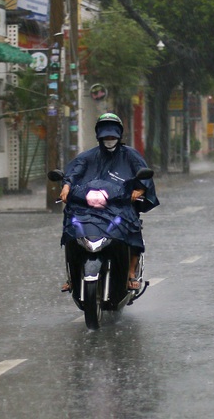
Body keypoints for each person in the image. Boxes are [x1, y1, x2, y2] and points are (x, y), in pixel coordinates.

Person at [59, 113, 159, 292]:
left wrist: (140, 190)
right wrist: (66, 187)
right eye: (106, 137)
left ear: (119, 135)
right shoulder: (88, 157)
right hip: (88, 208)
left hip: (119, 206)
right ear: (99, 136)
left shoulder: (130, 155)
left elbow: (143, 175)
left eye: (112, 136)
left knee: (132, 228)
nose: (109, 140)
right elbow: (74, 173)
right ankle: (72, 275)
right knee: (71, 228)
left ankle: (130, 271)